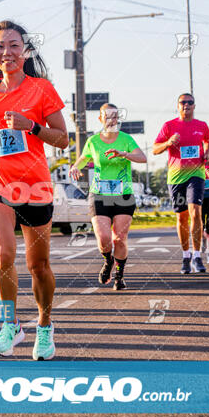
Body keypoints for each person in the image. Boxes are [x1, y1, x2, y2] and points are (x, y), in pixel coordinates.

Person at [0, 20, 68, 360]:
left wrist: (31, 126)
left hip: (34, 185)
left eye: (13, 45)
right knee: (4, 255)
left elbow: (63, 139)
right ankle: (10, 325)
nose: (7, 52)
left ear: (25, 51)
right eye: (0, 47)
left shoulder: (42, 89)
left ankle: (45, 327)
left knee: (39, 265)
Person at [69, 104, 146, 290]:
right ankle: (108, 260)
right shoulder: (93, 141)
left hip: (123, 195)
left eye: (115, 116)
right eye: (108, 116)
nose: (112, 119)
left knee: (120, 238)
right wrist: (75, 167)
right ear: (101, 119)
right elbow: (83, 158)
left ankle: (119, 275)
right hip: (99, 194)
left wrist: (124, 154)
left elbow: (142, 158)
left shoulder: (126, 139)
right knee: (104, 238)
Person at [153, 93, 209, 274]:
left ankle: (197, 255)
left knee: (196, 213)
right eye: (182, 102)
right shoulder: (169, 126)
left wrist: (208, 153)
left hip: (196, 174)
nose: (186, 105)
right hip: (176, 177)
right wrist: (168, 142)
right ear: (177, 106)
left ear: (194, 106)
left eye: (190, 102)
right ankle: (185, 256)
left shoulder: (201, 125)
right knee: (182, 217)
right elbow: (155, 149)